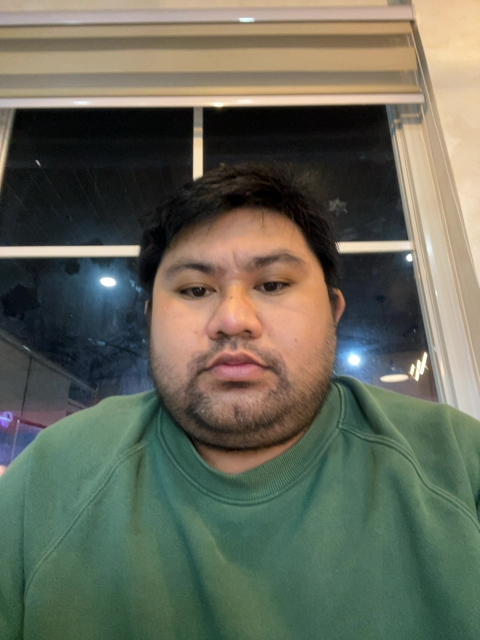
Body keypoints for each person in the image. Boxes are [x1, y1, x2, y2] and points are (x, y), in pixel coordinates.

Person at [1, 164, 479, 640]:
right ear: (150, 320)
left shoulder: (457, 463)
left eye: (272, 285)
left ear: (333, 312)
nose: (232, 319)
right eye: (195, 290)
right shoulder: (53, 476)